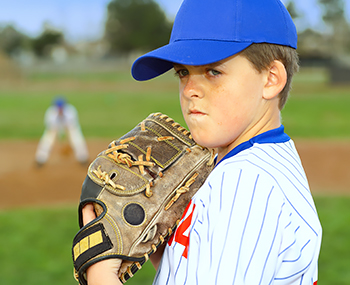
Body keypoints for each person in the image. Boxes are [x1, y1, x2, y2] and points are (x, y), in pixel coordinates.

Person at [82, 0, 322, 284]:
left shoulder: (244, 185)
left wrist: (100, 275)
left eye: (213, 71)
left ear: (271, 79)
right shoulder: (262, 162)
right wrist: (167, 253)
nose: (191, 90)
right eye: (183, 72)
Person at [35, 96, 89, 166]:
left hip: (70, 127)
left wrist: (67, 142)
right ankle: (40, 159)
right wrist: (61, 143)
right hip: (55, 127)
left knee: (77, 138)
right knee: (47, 139)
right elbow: (52, 130)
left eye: (61, 107)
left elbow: (70, 128)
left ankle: (83, 158)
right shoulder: (51, 113)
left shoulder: (71, 111)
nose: (60, 109)